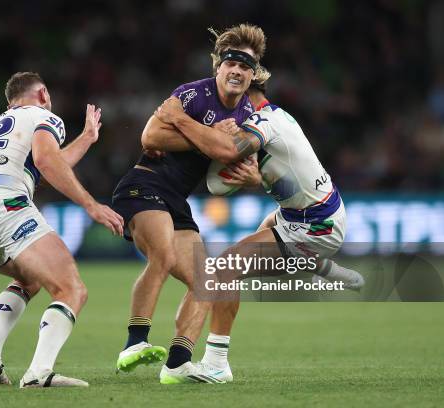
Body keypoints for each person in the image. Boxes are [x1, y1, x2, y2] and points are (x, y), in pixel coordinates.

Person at [154, 72, 364, 382]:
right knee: (261, 232)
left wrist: (184, 122)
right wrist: (257, 180)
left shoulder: (263, 124)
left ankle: (216, 364)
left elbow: (225, 153)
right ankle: (327, 268)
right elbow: (286, 174)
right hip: (307, 213)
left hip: (314, 225)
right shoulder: (278, 116)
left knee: (225, 267)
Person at [111, 24, 265, 384]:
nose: (238, 71)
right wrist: (204, 133)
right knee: (162, 255)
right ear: (219, 67)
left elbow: (235, 155)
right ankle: (135, 342)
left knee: (208, 281)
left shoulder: (249, 117)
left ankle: (178, 363)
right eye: (232, 63)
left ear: (253, 74)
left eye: (247, 66)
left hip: (177, 200)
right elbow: (150, 136)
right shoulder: (192, 95)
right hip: (144, 184)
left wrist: (187, 129)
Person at [0, 72, 124, 388]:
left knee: (30, 279)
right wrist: (91, 205)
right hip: (5, 206)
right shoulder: (44, 116)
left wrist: (86, 137)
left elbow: (44, 168)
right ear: (42, 93)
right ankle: (39, 372)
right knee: (71, 288)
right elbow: (46, 160)